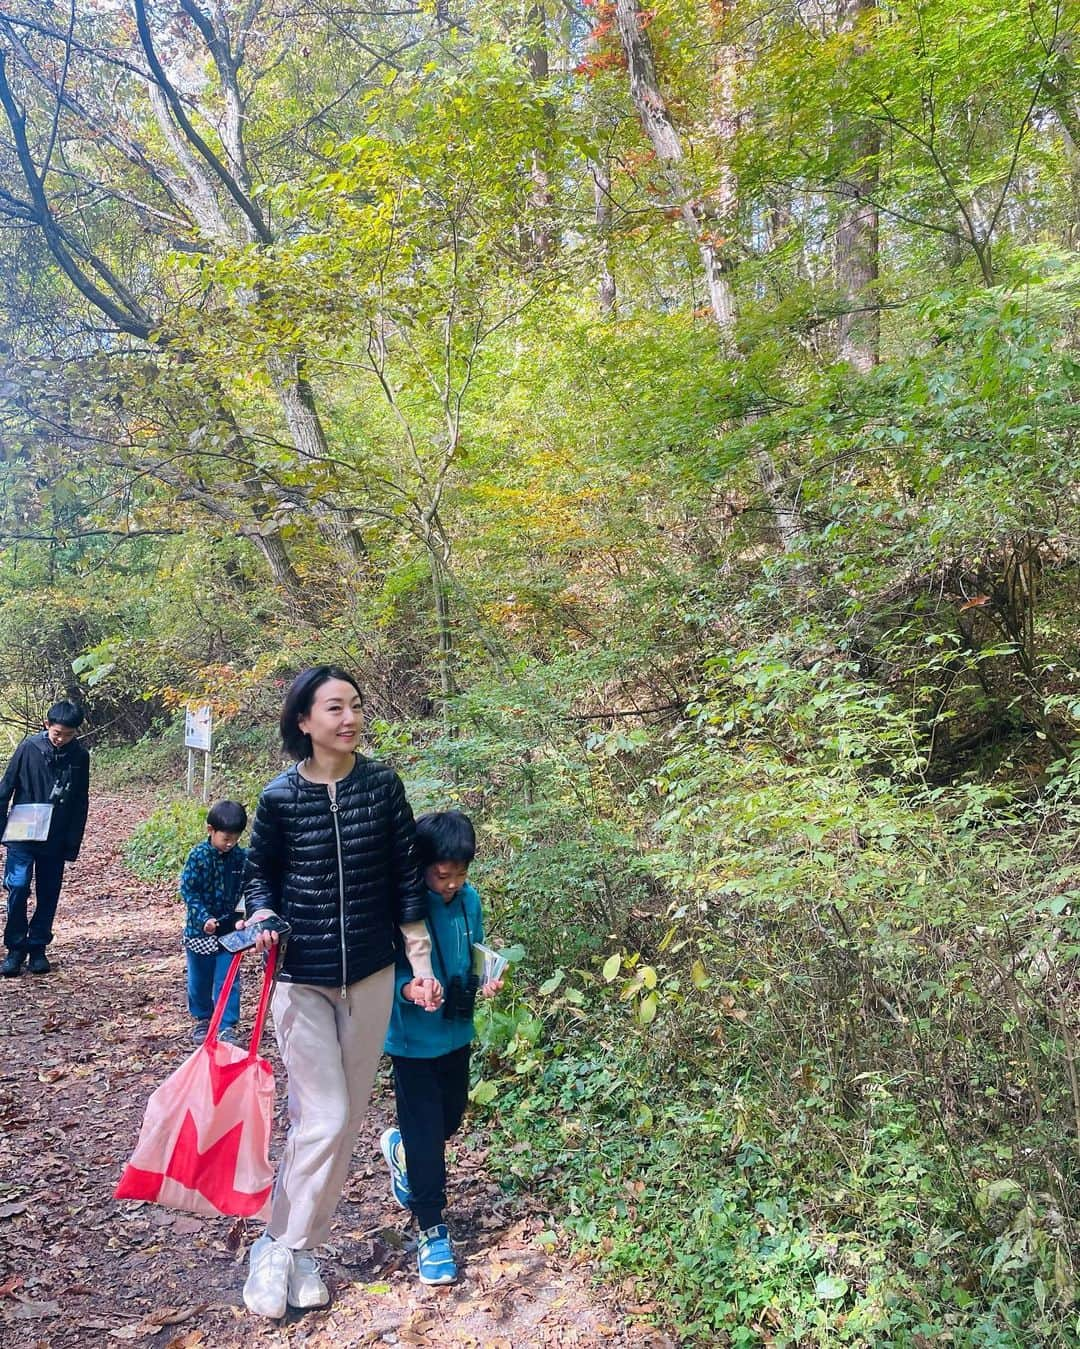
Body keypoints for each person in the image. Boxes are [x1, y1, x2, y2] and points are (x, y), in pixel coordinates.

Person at [239, 664, 442, 1319]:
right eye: (335, 707)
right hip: (300, 979)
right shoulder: (278, 798)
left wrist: (419, 962)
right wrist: (262, 914)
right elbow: (259, 878)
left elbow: (407, 881)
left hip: (373, 975)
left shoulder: (382, 786)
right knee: (320, 1116)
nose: (350, 717)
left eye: (355, 705)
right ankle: (273, 1245)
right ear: (304, 720)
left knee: (346, 1120)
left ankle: (301, 1250)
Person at [380, 810, 504, 1286]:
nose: (451, 884)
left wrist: (485, 977)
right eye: (441, 875)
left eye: (460, 874)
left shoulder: (469, 900)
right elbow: (382, 970)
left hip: (456, 1028)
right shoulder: (403, 906)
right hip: (412, 1038)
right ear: (421, 866)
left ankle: (404, 1153)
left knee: (450, 1117)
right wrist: (408, 989)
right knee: (427, 1131)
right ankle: (432, 1229)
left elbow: (473, 951)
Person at [0, 701, 90, 977]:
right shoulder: (29, 748)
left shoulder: (79, 756)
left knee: (48, 892)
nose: (62, 738)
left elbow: (80, 802)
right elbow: (6, 787)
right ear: (47, 725)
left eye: (69, 734)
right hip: (22, 834)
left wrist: (72, 841)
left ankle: (38, 947)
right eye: (57, 732)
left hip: (56, 835)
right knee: (17, 886)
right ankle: (15, 948)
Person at [180, 799, 249, 1046]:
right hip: (199, 931)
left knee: (228, 977)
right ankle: (203, 1018)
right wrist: (203, 918)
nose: (230, 844)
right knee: (200, 978)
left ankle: (226, 1025)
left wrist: (244, 916)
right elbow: (189, 891)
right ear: (210, 830)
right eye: (225, 838)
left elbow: (249, 889)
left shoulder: (242, 858)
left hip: (230, 931)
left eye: (235, 838)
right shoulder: (198, 856)